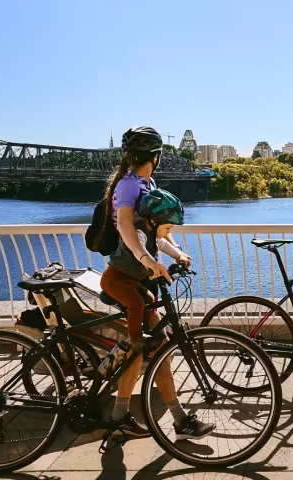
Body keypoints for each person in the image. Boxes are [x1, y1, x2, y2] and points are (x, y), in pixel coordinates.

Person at [100, 126, 214, 439]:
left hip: (139, 280)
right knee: (142, 349)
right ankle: (168, 419)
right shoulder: (127, 185)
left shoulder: (148, 183)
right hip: (123, 278)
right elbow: (126, 227)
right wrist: (148, 261)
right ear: (156, 155)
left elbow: (156, 233)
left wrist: (177, 254)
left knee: (156, 348)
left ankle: (132, 416)